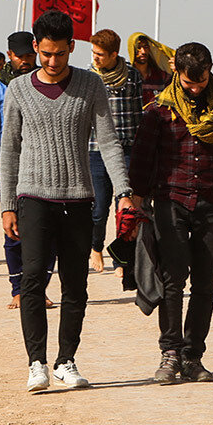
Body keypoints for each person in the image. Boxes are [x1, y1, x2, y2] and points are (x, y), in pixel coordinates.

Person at [0, 10, 133, 392]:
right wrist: (7, 203)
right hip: (33, 197)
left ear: (72, 48)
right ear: (37, 49)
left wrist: (123, 191)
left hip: (77, 198)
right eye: (46, 54)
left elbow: (108, 141)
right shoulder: (19, 89)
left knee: (75, 285)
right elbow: (9, 149)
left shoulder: (91, 86)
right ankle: (36, 362)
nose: (53, 62)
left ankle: (65, 360)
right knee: (33, 279)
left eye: (60, 54)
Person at [129, 42, 213, 385]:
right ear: (177, 73)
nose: (197, 89)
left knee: (205, 283)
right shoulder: (159, 110)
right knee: (173, 281)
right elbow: (142, 158)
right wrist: (134, 202)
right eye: (190, 83)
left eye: (202, 82)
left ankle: (192, 355)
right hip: (170, 201)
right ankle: (169, 353)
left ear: (211, 70)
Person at [0, 31, 54, 308]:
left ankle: (39, 288)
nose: (26, 61)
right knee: (14, 228)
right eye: (20, 56)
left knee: (48, 232)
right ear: (9, 55)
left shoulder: (45, 82)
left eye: (29, 56)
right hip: (10, 167)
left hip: (44, 167)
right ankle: (18, 288)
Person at [88, 29, 143, 274]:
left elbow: (138, 113)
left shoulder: (131, 76)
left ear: (114, 54)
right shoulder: (89, 77)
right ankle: (96, 247)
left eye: (100, 54)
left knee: (124, 207)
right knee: (99, 208)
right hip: (96, 150)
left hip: (127, 149)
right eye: (93, 52)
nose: (95, 57)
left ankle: (120, 258)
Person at [128, 32, 173, 105]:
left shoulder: (161, 76)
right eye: (139, 48)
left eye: (146, 47)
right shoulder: (128, 76)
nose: (143, 52)